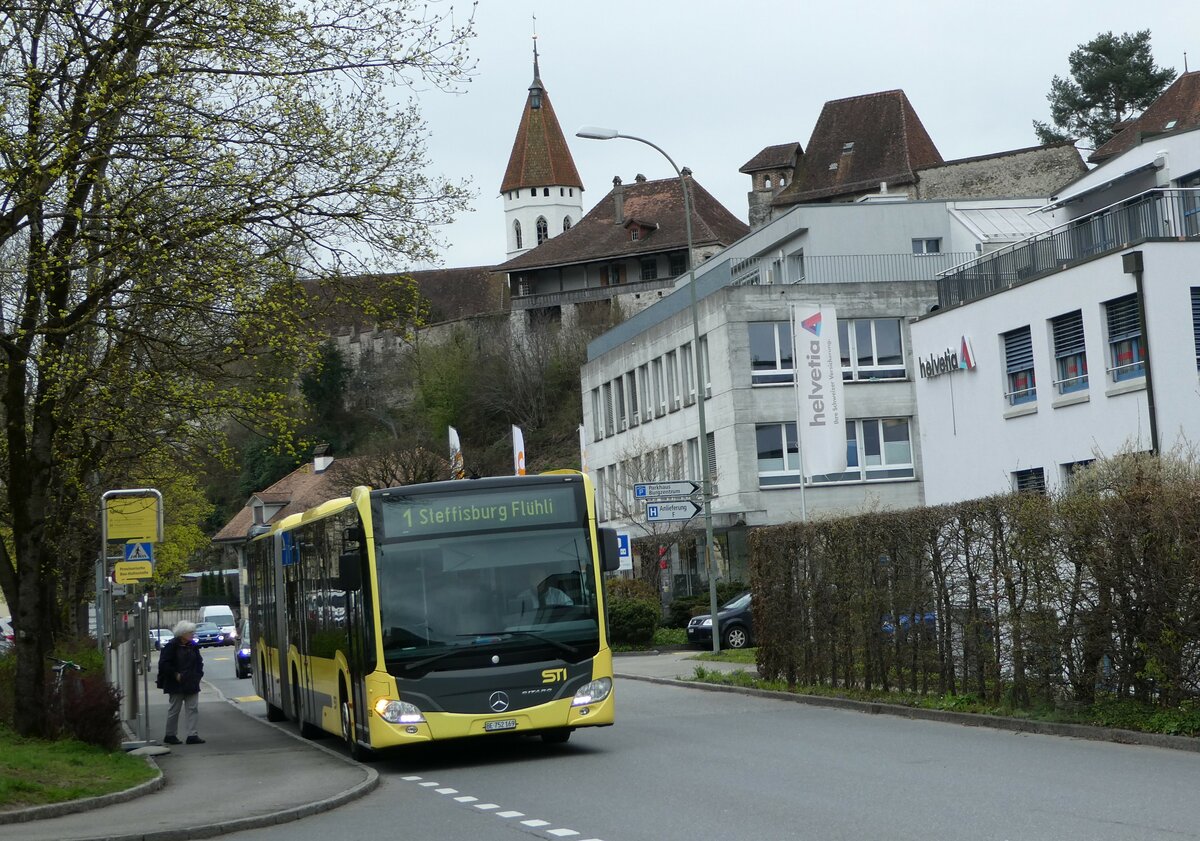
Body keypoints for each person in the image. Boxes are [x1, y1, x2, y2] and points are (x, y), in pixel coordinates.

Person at [157, 620, 205, 745]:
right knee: (174, 709)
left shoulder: (193, 646)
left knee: (193, 709)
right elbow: (164, 664)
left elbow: (199, 662)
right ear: (182, 633)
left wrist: (198, 675)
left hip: (191, 681)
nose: (192, 634)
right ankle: (170, 734)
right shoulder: (171, 646)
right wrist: (175, 674)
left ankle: (192, 735)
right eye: (190, 632)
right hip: (176, 683)